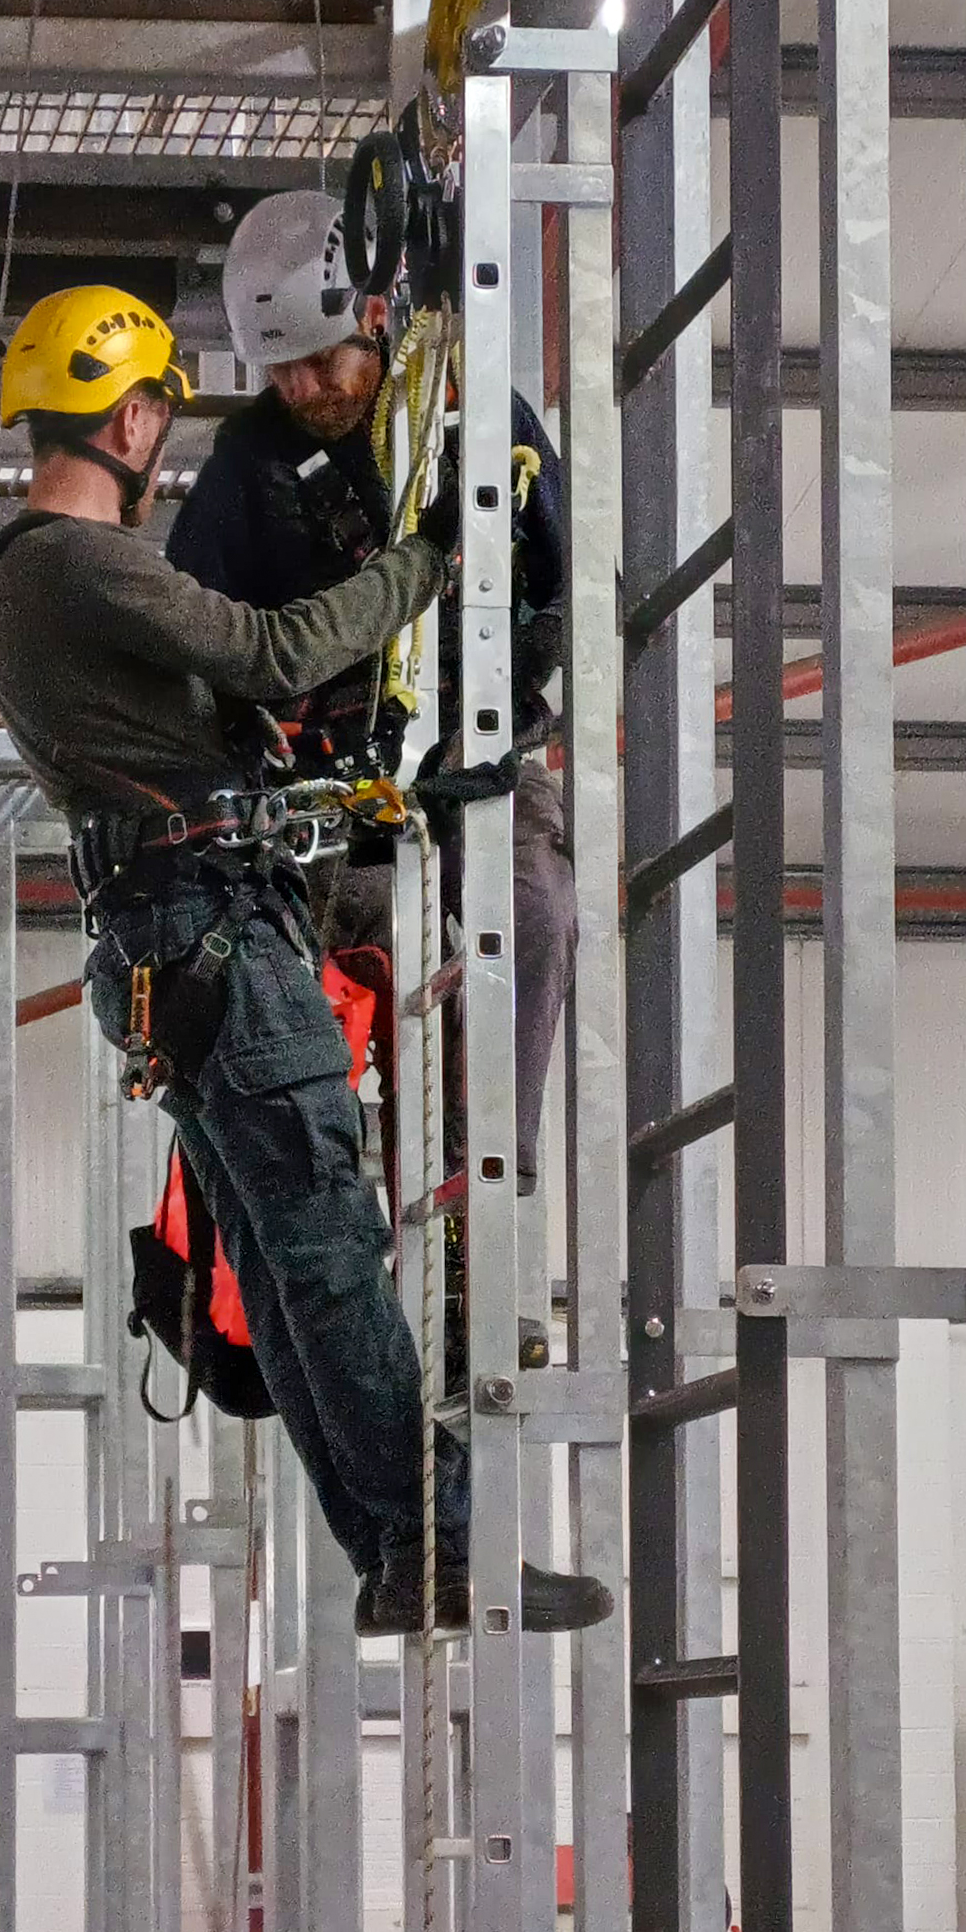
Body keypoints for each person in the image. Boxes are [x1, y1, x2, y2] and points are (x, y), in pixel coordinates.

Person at [0, 283, 610, 1640]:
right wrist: (433, 551)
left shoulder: (19, 579)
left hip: (174, 936)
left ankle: (398, 1549)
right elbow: (275, 648)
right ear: (136, 416)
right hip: (213, 935)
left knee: (278, 1253)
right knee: (320, 1247)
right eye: (163, 424)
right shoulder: (75, 562)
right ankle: (434, 1541)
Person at [169, 191, 578, 1219]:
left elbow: (560, 595)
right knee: (301, 979)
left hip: (477, 750)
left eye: (322, 361)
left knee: (533, 912)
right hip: (325, 785)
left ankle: (490, 1179)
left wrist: (490, 699)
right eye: (282, 370)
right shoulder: (250, 468)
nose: (304, 388)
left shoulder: (475, 419)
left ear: (377, 320)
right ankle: (323, 1205)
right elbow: (195, 637)